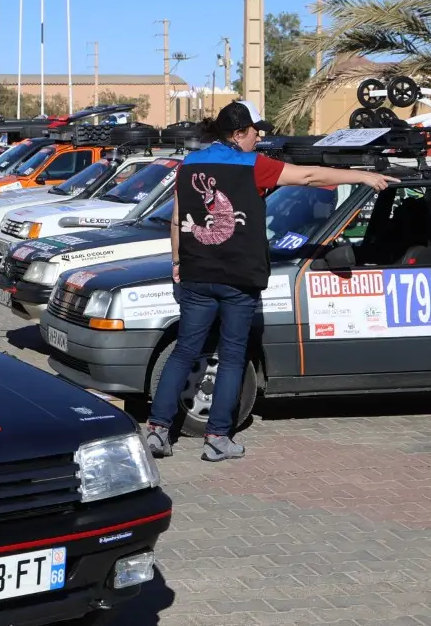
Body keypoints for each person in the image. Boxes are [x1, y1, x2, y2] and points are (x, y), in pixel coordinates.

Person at [144, 100, 394, 462]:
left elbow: (178, 218)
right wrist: (363, 176)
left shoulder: (190, 163)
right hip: (238, 278)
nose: (259, 137)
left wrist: (178, 261)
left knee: (185, 350)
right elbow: (308, 176)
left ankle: (157, 431)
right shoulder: (253, 166)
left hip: (197, 273)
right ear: (237, 133)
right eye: (253, 131)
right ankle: (217, 439)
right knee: (231, 357)